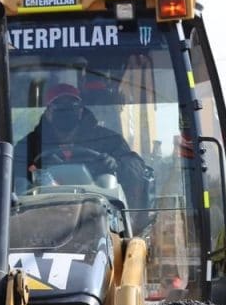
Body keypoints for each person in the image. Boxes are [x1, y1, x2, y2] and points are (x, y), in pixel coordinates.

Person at [13, 83, 154, 210]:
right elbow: (11, 174)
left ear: (81, 110)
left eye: (73, 106)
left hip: (102, 219)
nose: (66, 111)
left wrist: (117, 164)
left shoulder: (108, 140)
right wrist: (34, 173)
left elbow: (136, 167)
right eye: (59, 106)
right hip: (39, 219)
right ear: (48, 111)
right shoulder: (29, 145)